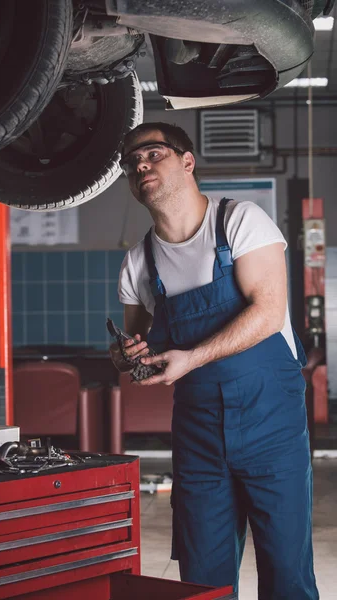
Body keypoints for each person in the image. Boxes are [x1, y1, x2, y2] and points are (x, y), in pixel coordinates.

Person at [109, 121, 318, 599]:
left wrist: (194, 357)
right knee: (203, 578)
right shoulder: (140, 263)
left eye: (153, 153)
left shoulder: (240, 222)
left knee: (287, 571)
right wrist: (126, 355)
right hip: (199, 434)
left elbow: (268, 313)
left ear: (187, 162)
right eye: (131, 161)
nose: (140, 164)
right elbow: (132, 347)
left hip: (272, 426)